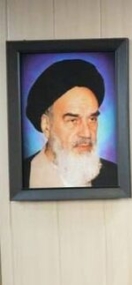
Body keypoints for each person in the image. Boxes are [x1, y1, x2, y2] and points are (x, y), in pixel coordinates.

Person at [22, 58, 118, 188]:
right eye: (73, 120)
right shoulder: (20, 177)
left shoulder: (115, 176)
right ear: (46, 125)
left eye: (92, 119)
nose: (86, 133)